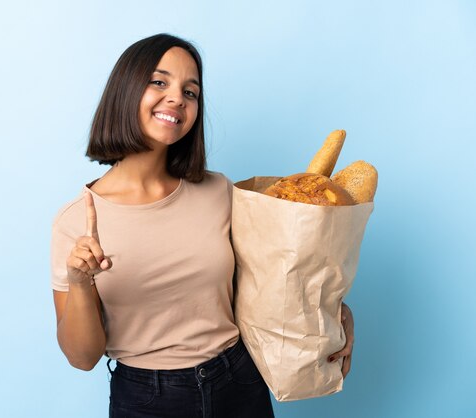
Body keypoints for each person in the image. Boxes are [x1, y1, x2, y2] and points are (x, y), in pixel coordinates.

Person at [50, 33, 355, 418]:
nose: (177, 98)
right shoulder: (75, 221)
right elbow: (82, 357)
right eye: (159, 82)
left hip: (239, 381)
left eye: (190, 92)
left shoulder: (219, 192)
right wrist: (80, 282)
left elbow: (277, 279)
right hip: (147, 399)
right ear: (124, 92)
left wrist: (335, 313)